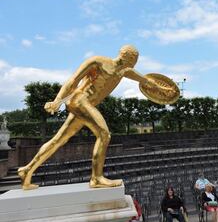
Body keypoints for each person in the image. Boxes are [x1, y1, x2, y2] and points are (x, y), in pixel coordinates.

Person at [17, 45, 160, 189]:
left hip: (86, 106)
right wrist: (57, 100)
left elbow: (146, 81)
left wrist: (167, 90)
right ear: (126, 56)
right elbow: (73, 80)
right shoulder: (98, 61)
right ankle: (96, 178)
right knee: (104, 134)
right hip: (80, 101)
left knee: (58, 139)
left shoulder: (124, 71)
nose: (134, 62)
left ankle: (27, 170)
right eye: (134, 59)